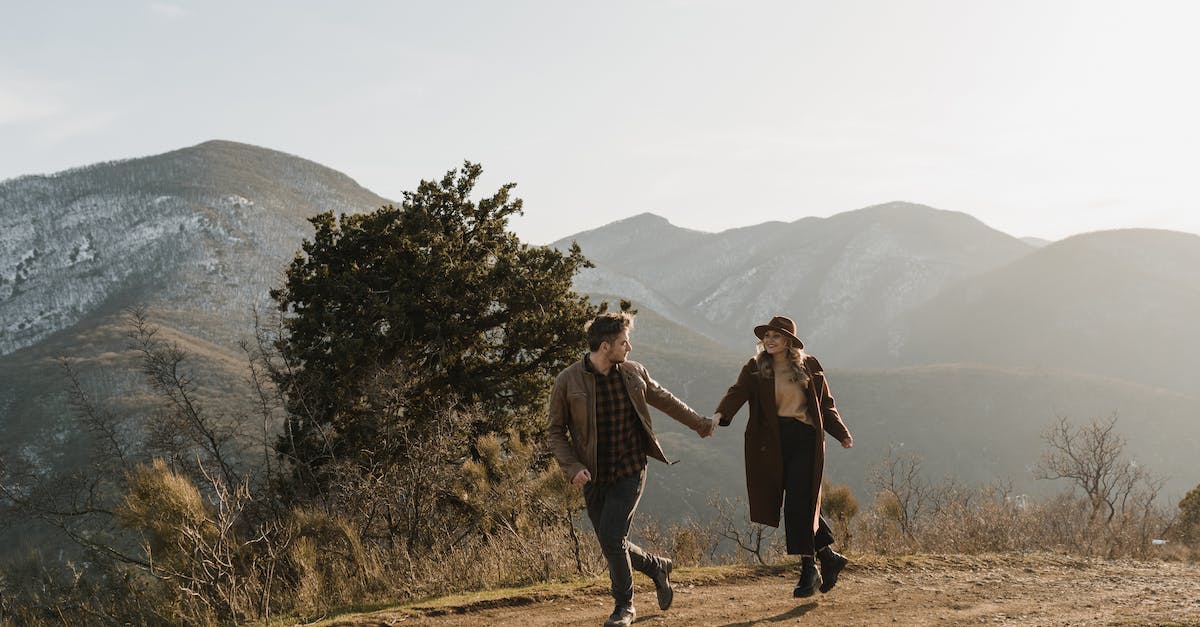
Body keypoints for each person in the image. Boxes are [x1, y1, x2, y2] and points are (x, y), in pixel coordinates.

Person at [547, 312, 716, 627]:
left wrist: (701, 424)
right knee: (612, 542)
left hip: (630, 467)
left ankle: (624, 607)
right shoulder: (568, 380)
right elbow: (555, 431)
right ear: (605, 346)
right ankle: (656, 567)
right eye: (624, 342)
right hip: (593, 475)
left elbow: (666, 400)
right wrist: (572, 467)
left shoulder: (633, 372)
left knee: (612, 537)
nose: (630, 348)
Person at [711, 315, 853, 598]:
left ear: (789, 341)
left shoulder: (809, 365)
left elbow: (826, 403)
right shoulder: (755, 368)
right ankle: (828, 556)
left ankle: (808, 569)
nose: (769, 340)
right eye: (766, 336)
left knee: (798, 501)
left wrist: (841, 432)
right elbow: (737, 392)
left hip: (806, 439)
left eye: (776, 336)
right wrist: (719, 414)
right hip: (772, 443)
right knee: (799, 502)